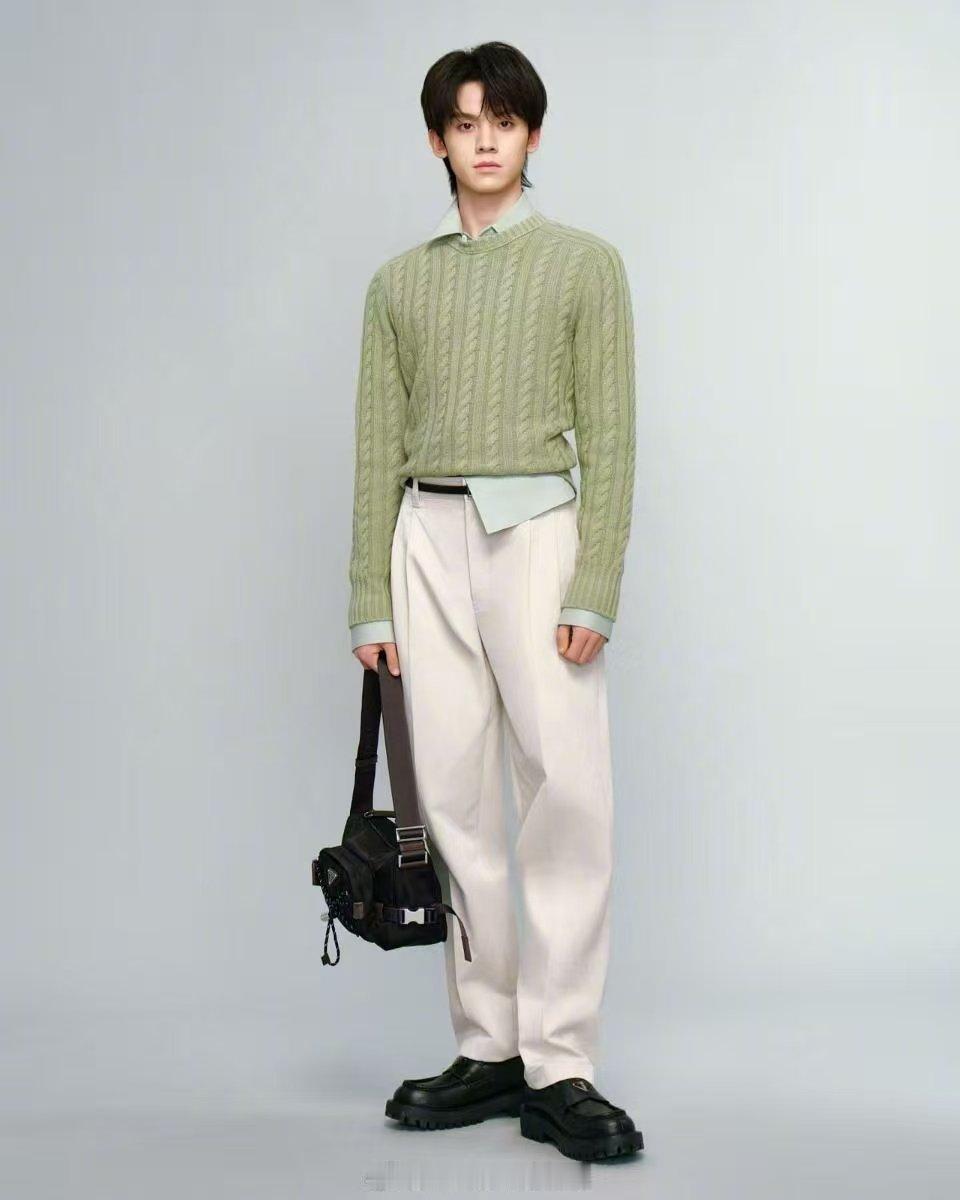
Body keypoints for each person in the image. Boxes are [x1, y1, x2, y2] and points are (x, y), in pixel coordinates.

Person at [347, 40, 642, 1162]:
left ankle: (561, 1063)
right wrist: (370, 597)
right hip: (423, 537)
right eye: (464, 122)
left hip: (535, 534)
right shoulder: (398, 284)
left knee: (566, 793)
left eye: (503, 121)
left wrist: (595, 583)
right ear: (436, 139)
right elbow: (377, 446)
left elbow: (612, 436)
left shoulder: (585, 266)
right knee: (454, 804)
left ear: (532, 135)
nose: (484, 140)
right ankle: (489, 1047)